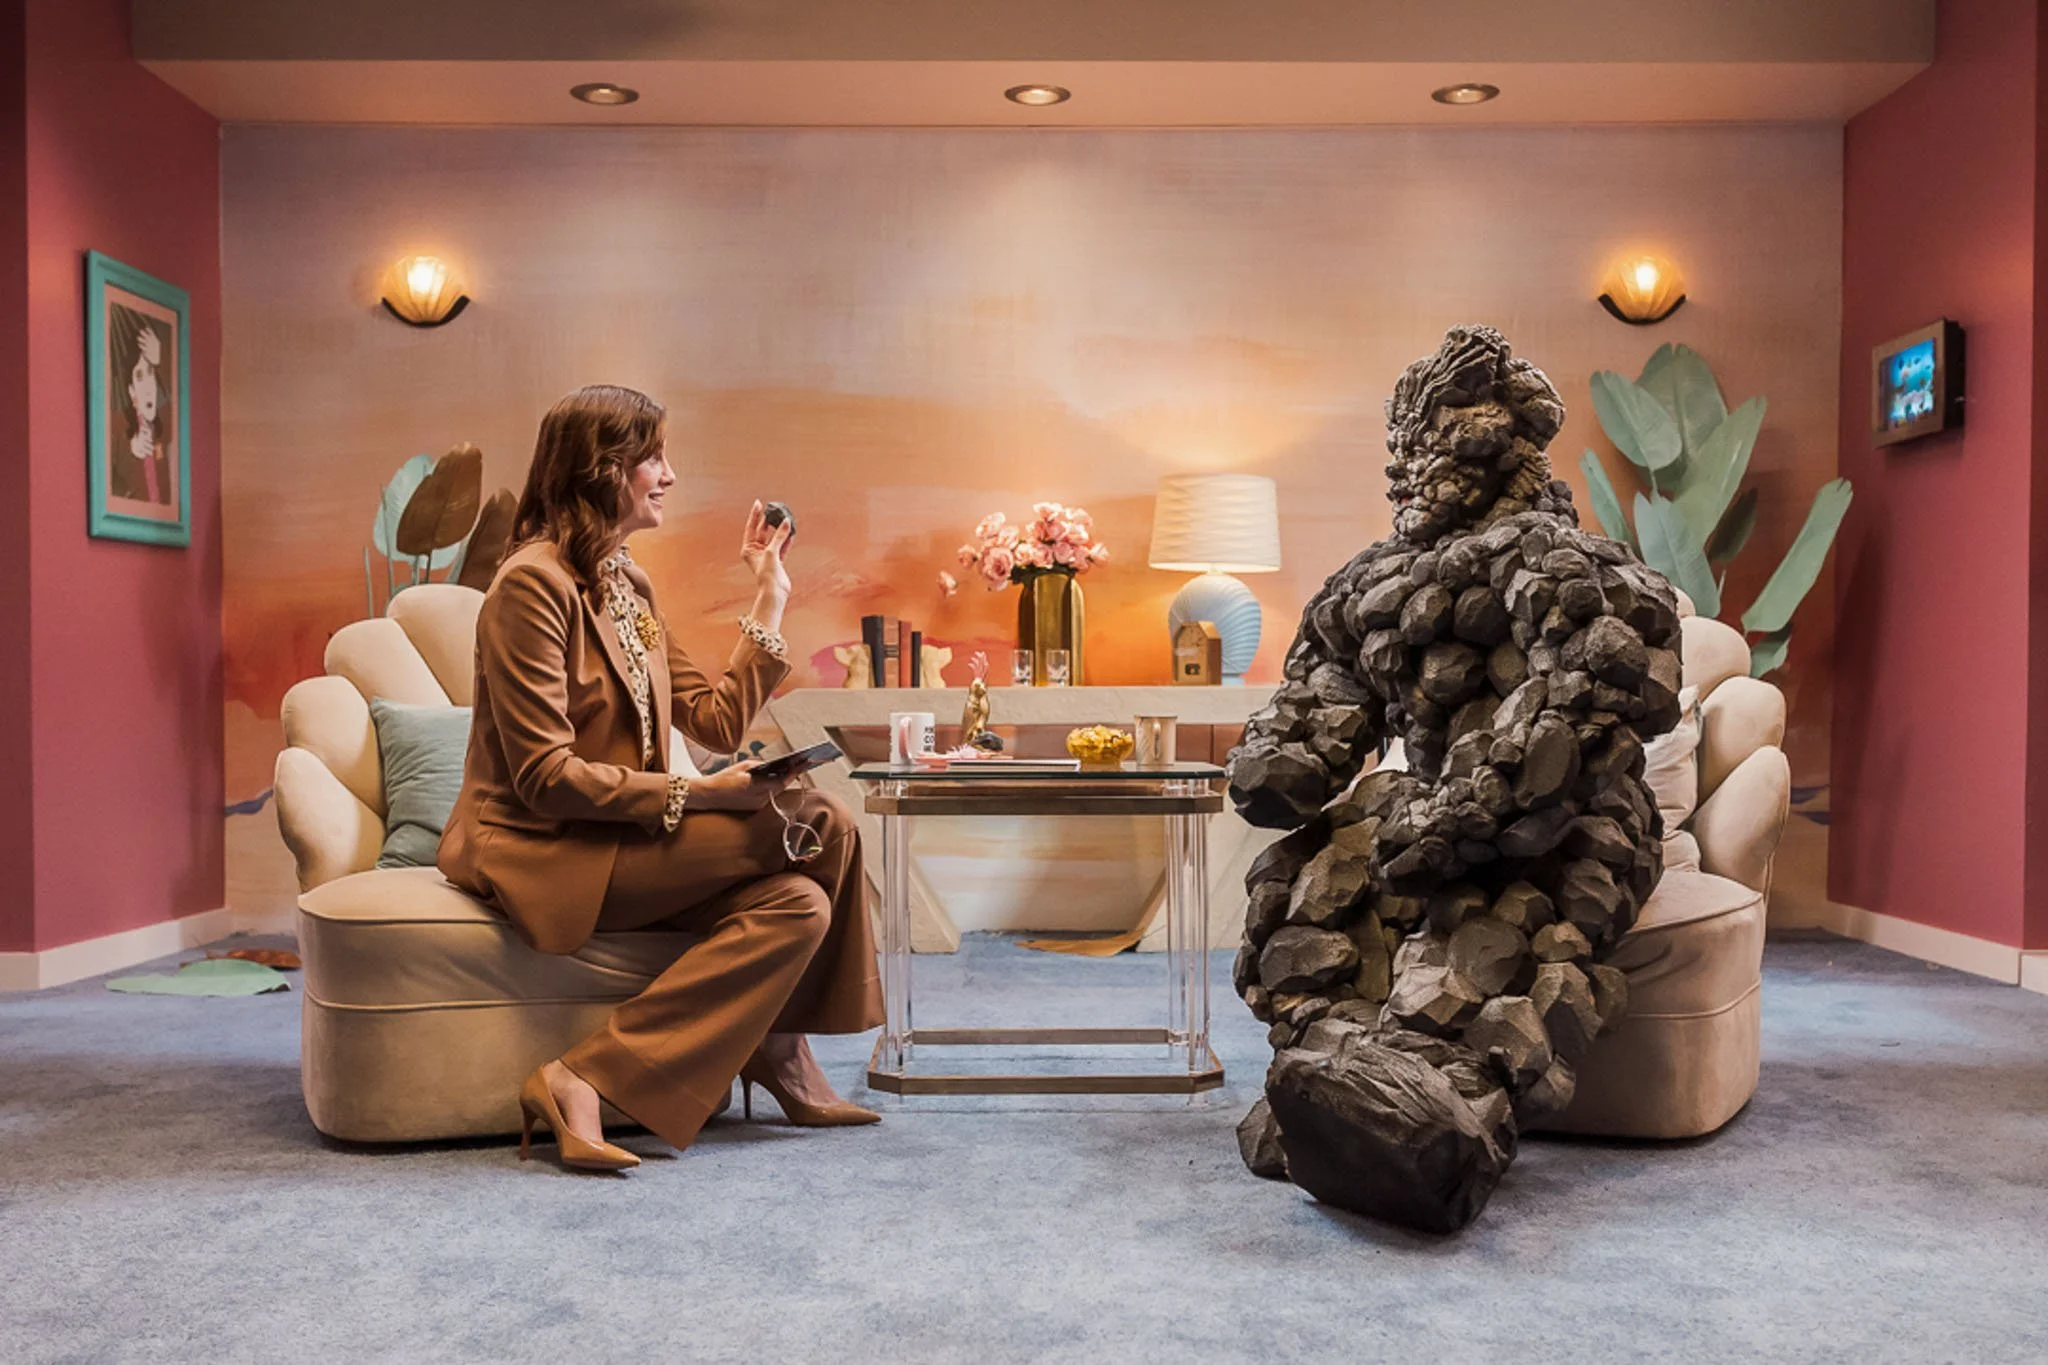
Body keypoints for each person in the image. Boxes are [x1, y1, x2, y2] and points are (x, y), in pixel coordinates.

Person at [438, 383, 882, 1172]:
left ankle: (623, 1069)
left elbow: (713, 719)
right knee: (825, 824)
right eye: (653, 457)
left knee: (800, 901)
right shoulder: (529, 586)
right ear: (604, 469)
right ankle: (770, 1054)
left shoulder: (623, 580)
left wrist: (769, 600)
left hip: (623, 834)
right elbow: (543, 777)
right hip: (546, 845)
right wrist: (699, 794)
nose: (669, 474)